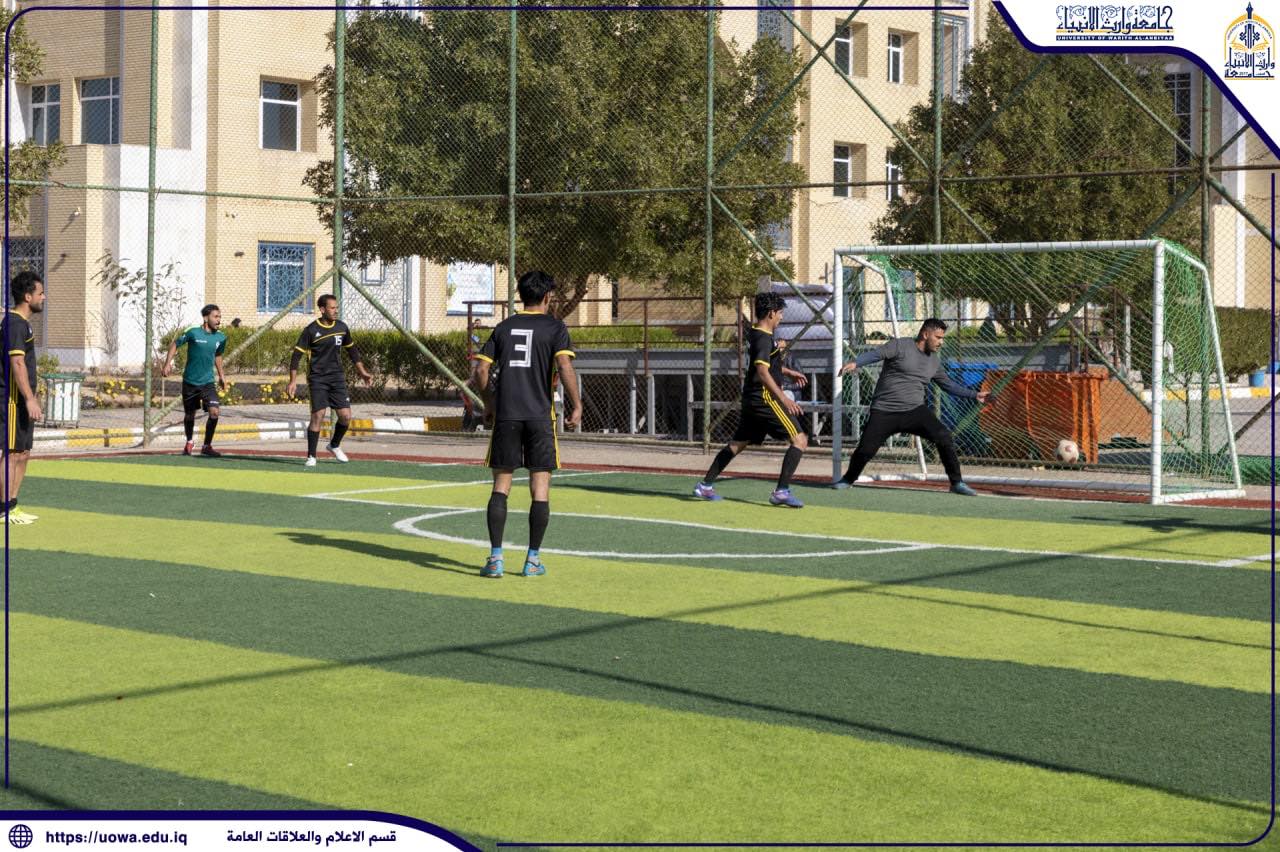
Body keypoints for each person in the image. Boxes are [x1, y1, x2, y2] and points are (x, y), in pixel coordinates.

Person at [468, 270, 582, 579]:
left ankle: (495, 559)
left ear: (521, 295)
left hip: (507, 415)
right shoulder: (555, 328)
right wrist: (577, 404)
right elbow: (564, 365)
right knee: (540, 487)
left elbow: (480, 371)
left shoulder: (504, 327)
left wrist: (490, 403)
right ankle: (532, 561)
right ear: (547, 297)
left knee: (501, 485)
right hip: (540, 417)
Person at [833, 318, 989, 496]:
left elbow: (948, 385)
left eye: (942, 338)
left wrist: (974, 395)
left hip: (915, 411)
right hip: (884, 411)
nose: (941, 342)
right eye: (938, 337)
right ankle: (848, 479)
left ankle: (957, 483)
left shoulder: (934, 362)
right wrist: (856, 362)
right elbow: (876, 354)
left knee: (944, 436)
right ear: (925, 334)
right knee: (866, 450)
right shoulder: (900, 346)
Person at [693, 292, 808, 508]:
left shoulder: (758, 333)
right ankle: (781, 491)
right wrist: (784, 398)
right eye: (780, 313)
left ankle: (705, 486)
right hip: (764, 399)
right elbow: (762, 372)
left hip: (752, 399)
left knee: (738, 444)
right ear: (771, 313)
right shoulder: (763, 337)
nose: (781, 317)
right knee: (799, 440)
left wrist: (787, 372)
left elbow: (765, 366)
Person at [286, 294, 374, 467]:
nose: (336, 311)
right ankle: (311, 456)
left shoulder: (342, 327)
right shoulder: (311, 330)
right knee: (318, 415)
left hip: (337, 378)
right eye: (332, 308)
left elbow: (352, 351)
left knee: (346, 416)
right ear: (322, 309)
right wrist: (293, 381)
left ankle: (334, 445)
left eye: (336, 307)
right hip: (317, 379)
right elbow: (296, 356)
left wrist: (363, 372)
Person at [2, 271, 45, 525]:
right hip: (12, 400)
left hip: (23, 400)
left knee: (23, 452)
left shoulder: (22, 323)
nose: (44, 297)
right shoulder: (15, 324)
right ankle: (3, 509)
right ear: (28, 297)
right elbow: (17, 363)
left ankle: (12, 505)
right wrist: (29, 398)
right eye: (40, 293)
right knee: (11, 453)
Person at [162, 303, 228, 457]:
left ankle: (207, 446)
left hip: (208, 382)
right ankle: (190, 441)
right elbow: (175, 344)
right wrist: (167, 364)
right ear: (206, 318)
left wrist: (221, 375)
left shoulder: (221, 337)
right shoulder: (193, 332)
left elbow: (218, 355)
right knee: (189, 415)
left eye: (219, 317)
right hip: (190, 381)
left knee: (214, 412)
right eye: (215, 317)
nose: (218, 320)